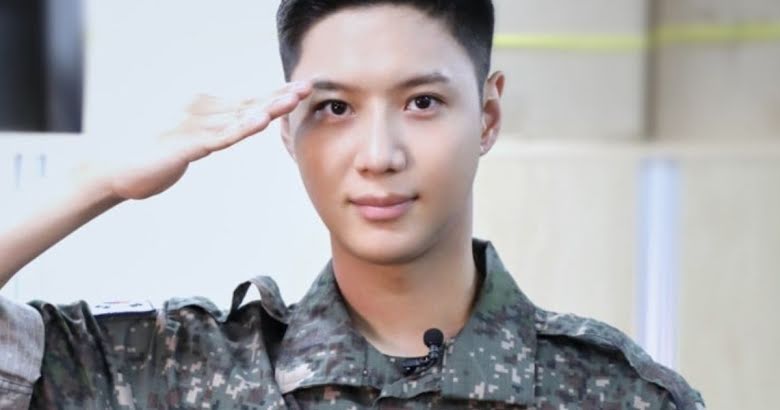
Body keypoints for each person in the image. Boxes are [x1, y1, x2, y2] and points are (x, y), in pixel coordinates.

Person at [0, 1, 706, 408]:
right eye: (335, 107)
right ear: (287, 128)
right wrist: (95, 180)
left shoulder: (617, 393)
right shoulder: (173, 370)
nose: (378, 154)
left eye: (422, 102)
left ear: (488, 116)